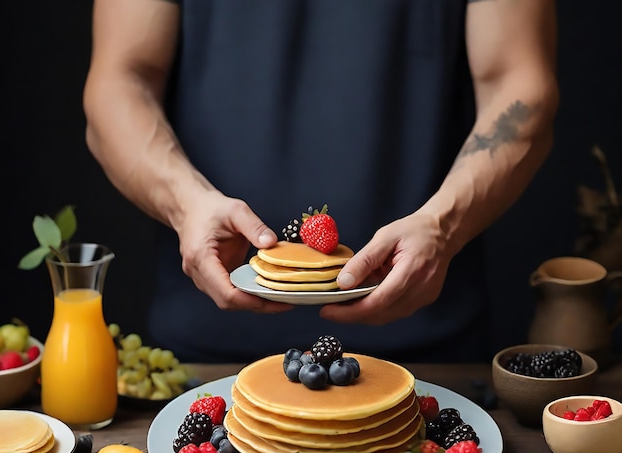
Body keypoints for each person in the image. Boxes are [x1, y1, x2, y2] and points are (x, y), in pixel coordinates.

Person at [83, 0, 558, 363]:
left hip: (431, 365)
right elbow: (120, 81)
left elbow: (519, 84)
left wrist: (443, 224)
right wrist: (187, 204)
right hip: (204, 365)